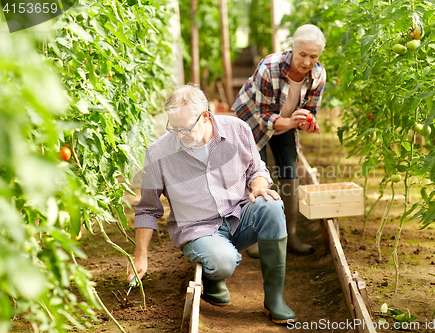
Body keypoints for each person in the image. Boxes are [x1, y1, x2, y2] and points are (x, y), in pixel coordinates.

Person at [128, 84, 296, 324]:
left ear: (206, 116)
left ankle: (275, 299)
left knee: (270, 205)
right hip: (198, 228)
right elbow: (147, 209)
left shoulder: (238, 130)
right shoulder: (158, 154)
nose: (180, 134)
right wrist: (140, 256)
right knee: (221, 261)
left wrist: (259, 185)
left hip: (239, 215)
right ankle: (213, 273)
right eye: (174, 128)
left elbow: (256, 168)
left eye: (186, 128)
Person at [233, 24, 326, 256]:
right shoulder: (269, 67)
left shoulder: (318, 75)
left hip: (285, 121)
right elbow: (264, 117)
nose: (306, 61)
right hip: (253, 119)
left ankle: (290, 234)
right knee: (254, 174)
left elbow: (310, 110)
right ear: (292, 48)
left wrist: (307, 121)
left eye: (313, 57)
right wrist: (292, 122)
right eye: (302, 54)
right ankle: (252, 237)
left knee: (289, 171)